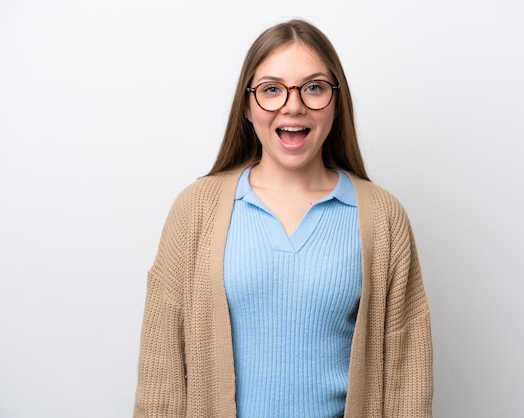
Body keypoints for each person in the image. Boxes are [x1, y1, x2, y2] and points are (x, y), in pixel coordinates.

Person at [133, 19, 433, 418]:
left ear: (335, 101)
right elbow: (161, 373)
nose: (294, 105)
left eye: (314, 87)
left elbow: (407, 376)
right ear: (247, 105)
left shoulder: (382, 218)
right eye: (272, 89)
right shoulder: (195, 210)